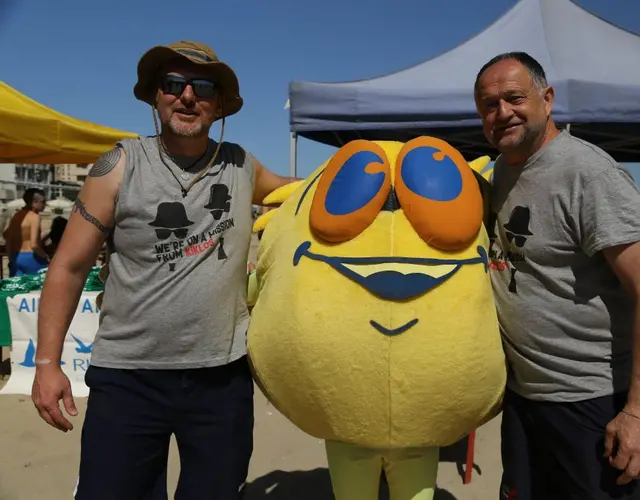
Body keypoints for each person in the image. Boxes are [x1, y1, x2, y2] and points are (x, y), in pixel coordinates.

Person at [31, 40, 297, 500]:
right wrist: (46, 364)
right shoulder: (119, 165)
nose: (187, 96)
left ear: (219, 104)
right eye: (174, 84)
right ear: (156, 95)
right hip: (129, 377)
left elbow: (302, 191)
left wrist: (374, 168)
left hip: (221, 378)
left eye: (203, 86)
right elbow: (69, 267)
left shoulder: (241, 165)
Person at [474, 51, 640, 500]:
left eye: (514, 98)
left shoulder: (588, 174)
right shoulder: (501, 170)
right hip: (525, 398)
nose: (502, 113)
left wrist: (636, 413)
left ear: (546, 100)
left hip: (590, 401)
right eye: (489, 105)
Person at [3, 188, 49, 276]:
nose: (45, 204)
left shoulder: (17, 216)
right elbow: (34, 245)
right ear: (34, 202)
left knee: (17, 288)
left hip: (16, 257)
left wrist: (11, 258)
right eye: (43, 202)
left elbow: (7, 236)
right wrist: (46, 256)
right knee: (41, 286)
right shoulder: (35, 217)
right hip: (32, 258)